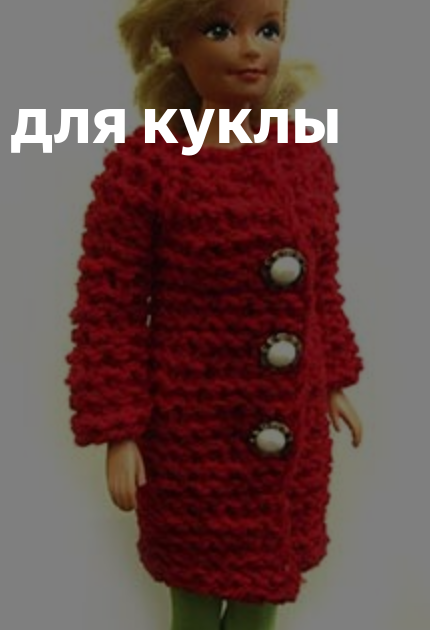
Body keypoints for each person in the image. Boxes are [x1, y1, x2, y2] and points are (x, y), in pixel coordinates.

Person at [65, 0, 364, 627]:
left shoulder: (304, 158)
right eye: (221, 29)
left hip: (294, 427)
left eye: (269, 29)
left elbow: (321, 285)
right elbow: (110, 308)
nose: (251, 49)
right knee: (195, 599)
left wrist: (333, 378)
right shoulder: (147, 167)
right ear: (176, 43)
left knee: (264, 592)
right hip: (190, 434)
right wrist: (119, 429)